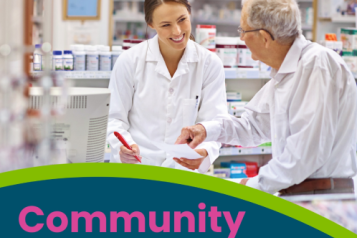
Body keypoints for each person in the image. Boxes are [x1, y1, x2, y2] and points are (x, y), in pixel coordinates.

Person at [175, 0, 357, 195]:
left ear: (264, 37)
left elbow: (304, 156)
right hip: (299, 194)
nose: (242, 38)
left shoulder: (316, 66)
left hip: (321, 198)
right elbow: (252, 127)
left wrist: (247, 186)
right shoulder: (286, 74)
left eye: (243, 31)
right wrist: (205, 130)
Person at [107, 0, 227, 173]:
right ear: (151, 24)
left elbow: (215, 122)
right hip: (137, 169)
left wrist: (204, 151)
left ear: (190, 14)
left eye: (182, 20)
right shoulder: (129, 61)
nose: (177, 31)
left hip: (183, 172)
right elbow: (114, 118)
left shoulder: (209, 64)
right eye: (166, 25)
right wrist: (123, 147)